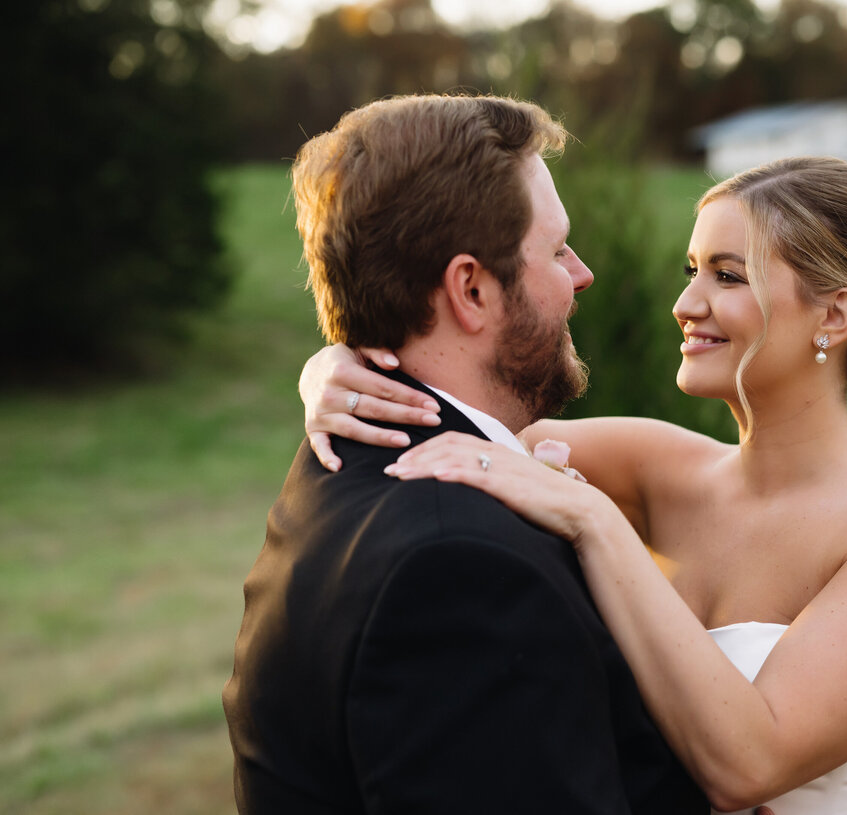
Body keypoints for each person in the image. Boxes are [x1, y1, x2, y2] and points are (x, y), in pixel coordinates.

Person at [301, 156, 847, 814]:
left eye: (728, 276)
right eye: (692, 271)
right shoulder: (655, 464)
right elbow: (457, 429)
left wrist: (592, 519)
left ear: (834, 316)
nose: (686, 304)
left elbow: (750, 762)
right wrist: (334, 368)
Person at [221, 93, 709, 814]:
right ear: (471, 288)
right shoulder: (458, 567)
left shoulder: (336, 471)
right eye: (555, 249)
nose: (581, 275)